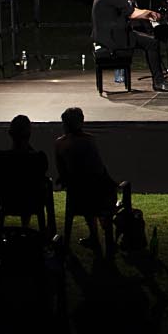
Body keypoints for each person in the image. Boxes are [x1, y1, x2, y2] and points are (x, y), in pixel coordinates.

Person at [92, 0, 168, 93]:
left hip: (107, 36)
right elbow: (132, 13)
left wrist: (147, 13)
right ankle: (159, 82)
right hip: (114, 39)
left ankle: (159, 80)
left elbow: (128, 10)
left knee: (145, 39)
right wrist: (151, 14)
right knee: (152, 43)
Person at [53, 107, 118, 251]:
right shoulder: (89, 140)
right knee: (100, 192)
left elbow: (62, 172)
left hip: (78, 196)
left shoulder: (60, 143)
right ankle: (107, 235)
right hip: (96, 194)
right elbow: (99, 169)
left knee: (88, 189)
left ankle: (95, 235)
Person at [0, 114, 51, 229]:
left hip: (6, 202)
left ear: (10, 133)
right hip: (32, 202)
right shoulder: (39, 158)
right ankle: (26, 226)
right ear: (29, 134)